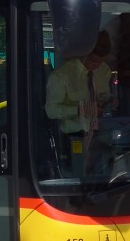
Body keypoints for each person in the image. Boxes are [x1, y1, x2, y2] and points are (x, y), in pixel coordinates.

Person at [45, 31, 114, 175]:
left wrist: (109, 101)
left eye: (101, 62)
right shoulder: (61, 77)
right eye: (94, 61)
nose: (97, 66)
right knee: (78, 177)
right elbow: (51, 110)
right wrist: (79, 110)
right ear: (83, 55)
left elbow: (105, 95)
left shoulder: (104, 70)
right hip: (75, 137)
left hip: (101, 134)